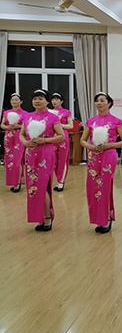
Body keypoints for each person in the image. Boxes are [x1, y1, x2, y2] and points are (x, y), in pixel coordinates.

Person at [80, 92, 122, 234]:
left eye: (102, 100)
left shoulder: (116, 121)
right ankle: (98, 218)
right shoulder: (90, 121)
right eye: (97, 101)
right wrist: (91, 147)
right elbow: (82, 140)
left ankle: (106, 218)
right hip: (93, 155)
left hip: (108, 155)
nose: (99, 103)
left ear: (109, 103)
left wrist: (109, 145)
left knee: (105, 185)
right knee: (92, 187)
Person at [19, 90, 64, 231]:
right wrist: (26, 143)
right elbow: (21, 134)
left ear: (47, 101)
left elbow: (61, 136)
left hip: (45, 154)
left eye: (40, 98)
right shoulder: (28, 117)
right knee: (32, 186)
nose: (37, 101)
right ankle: (39, 217)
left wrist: (44, 140)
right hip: (30, 153)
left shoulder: (52, 117)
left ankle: (47, 217)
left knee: (42, 185)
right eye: (35, 99)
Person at [1, 93, 28, 192]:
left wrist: (18, 126)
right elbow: (2, 124)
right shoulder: (7, 112)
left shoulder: (25, 113)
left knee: (17, 159)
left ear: (21, 102)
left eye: (16, 100)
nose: (14, 101)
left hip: (19, 136)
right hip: (9, 137)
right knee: (9, 160)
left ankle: (18, 182)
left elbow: (26, 126)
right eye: (12, 100)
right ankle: (13, 182)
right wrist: (7, 127)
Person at [50, 93, 73, 191]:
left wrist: (59, 125)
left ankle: (61, 181)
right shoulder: (49, 112)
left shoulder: (66, 112)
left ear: (61, 101)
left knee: (63, 159)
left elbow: (70, 125)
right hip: (52, 137)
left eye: (57, 99)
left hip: (62, 137)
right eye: (53, 99)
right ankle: (56, 180)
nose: (54, 101)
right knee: (53, 160)